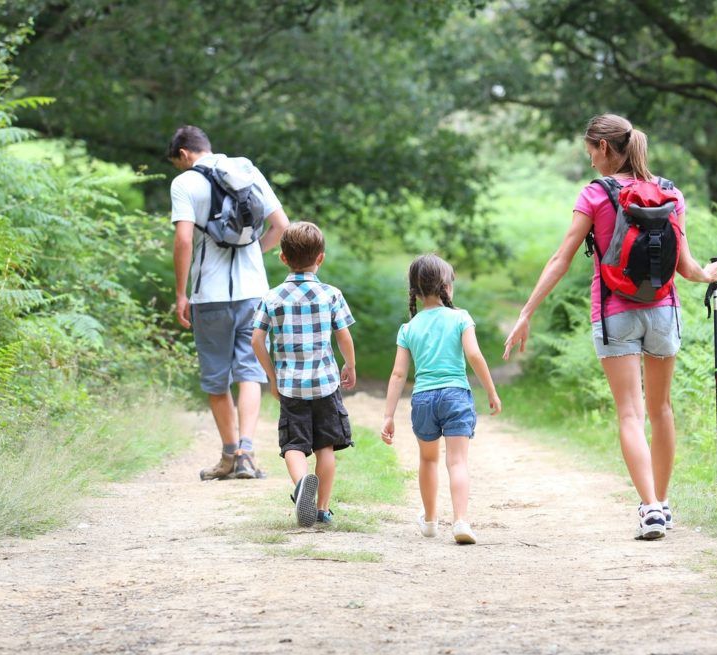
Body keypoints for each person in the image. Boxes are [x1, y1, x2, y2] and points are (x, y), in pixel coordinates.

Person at [502, 113, 717, 540]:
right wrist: (708, 274)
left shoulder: (595, 195)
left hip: (614, 312)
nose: (590, 163)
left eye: (590, 152)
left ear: (604, 148)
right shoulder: (670, 193)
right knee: (661, 410)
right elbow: (685, 266)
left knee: (630, 411)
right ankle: (661, 503)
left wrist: (527, 311)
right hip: (664, 311)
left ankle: (651, 508)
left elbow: (561, 258)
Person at [168, 125, 290, 481]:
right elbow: (281, 225)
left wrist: (181, 292)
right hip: (254, 291)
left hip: (210, 295)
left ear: (185, 154)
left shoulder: (185, 183)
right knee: (250, 372)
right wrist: (254, 251)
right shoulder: (246, 170)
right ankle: (247, 454)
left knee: (217, 379)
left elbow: (184, 241)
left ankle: (227, 455)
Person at [381, 254, 502, 545]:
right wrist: (491, 391)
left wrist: (388, 415)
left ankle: (431, 520)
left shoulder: (409, 328)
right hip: (455, 395)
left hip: (423, 399)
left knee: (428, 459)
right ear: (446, 287)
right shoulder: (460, 318)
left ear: (415, 291)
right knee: (457, 461)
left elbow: (398, 375)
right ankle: (460, 520)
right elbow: (474, 355)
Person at [251, 222, 356, 528]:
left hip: (290, 386)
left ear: (282, 258)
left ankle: (301, 487)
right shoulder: (330, 295)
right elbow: (344, 336)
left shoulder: (272, 297)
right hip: (325, 383)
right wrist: (349, 365)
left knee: (294, 445)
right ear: (320, 258)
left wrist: (272, 377)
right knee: (325, 447)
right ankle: (322, 509)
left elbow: (256, 340)